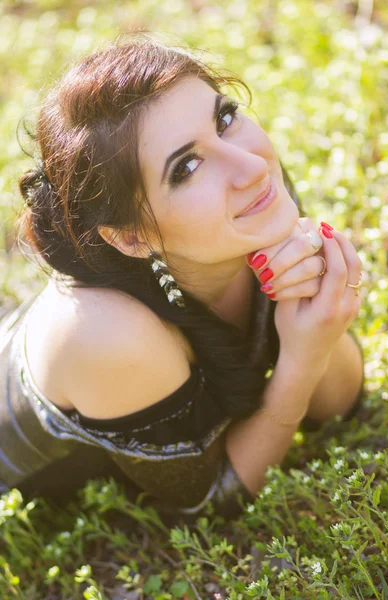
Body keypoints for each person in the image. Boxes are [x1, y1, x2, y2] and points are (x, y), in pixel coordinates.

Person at [0, 35, 364, 522]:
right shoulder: (106, 331)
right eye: (187, 166)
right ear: (130, 237)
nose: (252, 166)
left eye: (225, 117)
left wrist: (320, 324)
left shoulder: (249, 194)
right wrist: (300, 361)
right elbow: (208, 500)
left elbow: (341, 407)